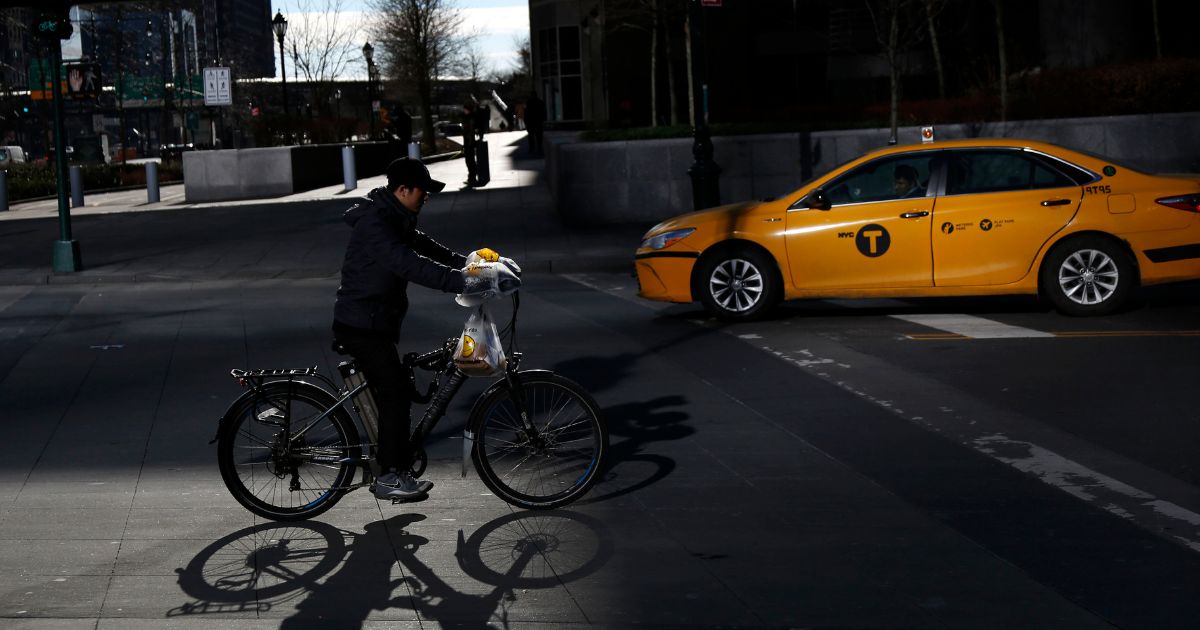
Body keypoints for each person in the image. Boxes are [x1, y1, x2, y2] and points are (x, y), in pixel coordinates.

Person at [331, 157, 507, 501]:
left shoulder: (395, 217)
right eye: (422, 192)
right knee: (395, 392)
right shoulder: (376, 225)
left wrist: (471, 264)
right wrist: (468, 281)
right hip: (361, 325)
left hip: (376, 322)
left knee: (396, 387)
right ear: (402, 190)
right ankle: (389, 476)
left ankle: (392, 461)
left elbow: (426, 247)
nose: (426, 197)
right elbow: (412, 265)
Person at [460, 101, 480, 187]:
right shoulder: (468, 118)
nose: (463, 110)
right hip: (468, 142)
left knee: (470, 161)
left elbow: (470, 132)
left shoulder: (469, 118)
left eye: (465, 109)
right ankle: (471, 177)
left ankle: (472, 177)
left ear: (468, 110)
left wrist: (468, 143)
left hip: (469, 142)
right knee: (470, 161)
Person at [523, 91, 546, 156]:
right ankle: (539, 147)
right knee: (539, 136)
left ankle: (532, 148)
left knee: (531, 136)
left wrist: (526, 121)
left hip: (531, 122)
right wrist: (543, 120)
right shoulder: (540, 102)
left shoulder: (528, 102)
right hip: (538, 121)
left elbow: (526, 113)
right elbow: (543, 111)